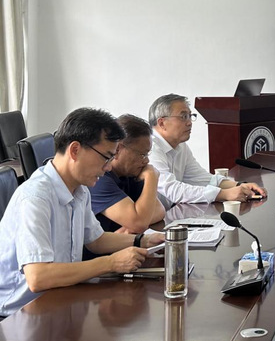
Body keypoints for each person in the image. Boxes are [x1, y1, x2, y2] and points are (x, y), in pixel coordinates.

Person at [0, 108, 165, 318]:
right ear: (75, 150)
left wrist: (143, 240)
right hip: (19, 314)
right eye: (106, 158)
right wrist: (110, 263)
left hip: (60, 298)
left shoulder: (80, 189)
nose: (108, 168)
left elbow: (95, 240)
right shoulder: (35, 198)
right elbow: (38, 277)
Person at [148, 93, 267, 205]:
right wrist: (224, 194)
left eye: (190, 116)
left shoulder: (181, 146)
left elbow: (202, 178)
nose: (189, 123)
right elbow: (172, 190)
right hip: (153, 220)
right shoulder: (150, 148)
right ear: (162, 123)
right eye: (183, 117)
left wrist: (239, 186)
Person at [89, 114, 165, 233]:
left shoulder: (129, 173)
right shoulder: (99, 178)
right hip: (104, 246)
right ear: (118, 149)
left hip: (119, 242)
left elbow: (159, 210)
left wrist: (127, 229)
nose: (146, 161)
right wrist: (151, 177)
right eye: (142, 154)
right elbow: (139, 223)